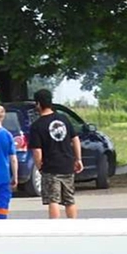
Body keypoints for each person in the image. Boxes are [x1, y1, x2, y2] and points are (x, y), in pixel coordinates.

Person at [27, 88, 82, 219]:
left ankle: (55, 228)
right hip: (68, 164)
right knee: (69, 199)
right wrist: (78, 159)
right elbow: (75, 139)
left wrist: (39, 166)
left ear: (38, 104)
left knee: (53, 200)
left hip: (51, 167)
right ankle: (73, 225)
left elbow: (37, 151)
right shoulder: (63, 119)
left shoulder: (37, 125)